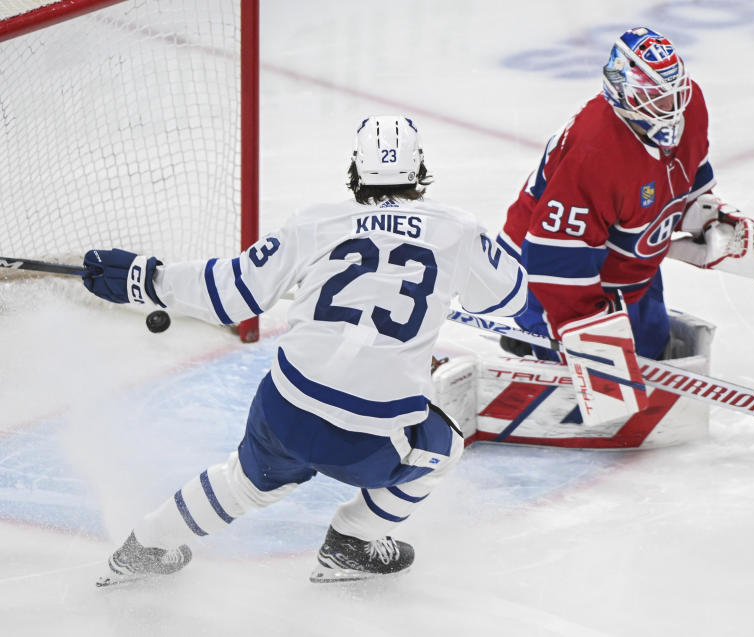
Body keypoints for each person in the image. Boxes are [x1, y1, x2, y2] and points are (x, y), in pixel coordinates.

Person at [81, 114, 528, 585]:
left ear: (355, 168)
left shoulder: (314, 223)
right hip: (371, 432)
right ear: (420, 169)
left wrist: (149, 279)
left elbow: (230, 292)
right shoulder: (457, 229)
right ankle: (351, 542)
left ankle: (143, 550)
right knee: (443, 448)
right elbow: (511, 298)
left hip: (287, 406)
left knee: (243, 485)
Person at [497, 27, 754, 362]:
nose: (671, 108)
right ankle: (529, 338)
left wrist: (711, 219)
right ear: (621, 90)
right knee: (580, 389)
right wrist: (585, 328)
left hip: (625, 257)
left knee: (648, 354)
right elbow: (555, 255)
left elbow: (684, 177)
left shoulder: (690, 107)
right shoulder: (594, 149)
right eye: (655, 97)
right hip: (543, 271)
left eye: (674, 94)